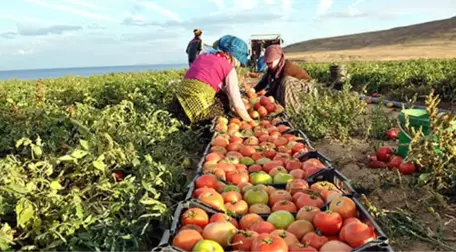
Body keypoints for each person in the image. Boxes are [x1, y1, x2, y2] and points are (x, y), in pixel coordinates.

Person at [170, 35, 253, 125]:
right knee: (223, 104)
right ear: (233, 57)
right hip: (196, 106)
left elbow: (207, 79)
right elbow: (236, 101)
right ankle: (199, 123)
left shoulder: (203, 56)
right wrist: (249, 121)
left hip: (178, 100)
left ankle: (180, 117)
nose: (237, 66)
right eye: (238, 63)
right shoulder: (228, 68)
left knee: (221, 94)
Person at [254, 44, 314, 110]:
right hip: (291, 89)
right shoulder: (272, 68)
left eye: (270, 62)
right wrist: (254, 90)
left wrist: (262, 98)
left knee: (285, 82)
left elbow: (275, 89)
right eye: (267, 63)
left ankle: (292, 110)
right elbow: (263, 82)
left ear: (279, 58)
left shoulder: (288, 68)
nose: (268, 64)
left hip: (305, 89)